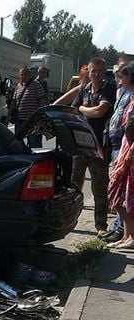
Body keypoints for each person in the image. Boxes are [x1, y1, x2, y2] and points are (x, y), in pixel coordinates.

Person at [71, 56, 117, 237]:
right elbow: (74, 110)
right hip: (80, 145)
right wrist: (82, 109)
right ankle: (72, 219)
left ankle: (101, 226)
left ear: (104, 72)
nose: (96, 74)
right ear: (88, 72)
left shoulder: (109, 88)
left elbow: (100, 111)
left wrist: (83, 109)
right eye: (93, 71)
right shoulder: (84, 89)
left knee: (99, 187)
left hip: (99, 146)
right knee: (75, 185)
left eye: (99, 71)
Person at [102, 55, 134, 243]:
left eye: (124, 74)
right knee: (120, 192)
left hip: (129, 150)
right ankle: (127, 235)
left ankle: (131, 236)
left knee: (125, 192)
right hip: (123, 147)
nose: (120, 77)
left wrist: (130, 152)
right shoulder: (126, 95)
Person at [7, 66, 46, 147]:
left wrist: (40, 119)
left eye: (25, 74)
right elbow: (13, 103)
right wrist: (8, 116)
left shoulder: (36, 85)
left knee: (34, 144)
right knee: (18, 143)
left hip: (32, 121)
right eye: (21, 74)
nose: (23, 76)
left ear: (30, 75)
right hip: (19, 120)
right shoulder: (18, 86)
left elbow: (42, 102)